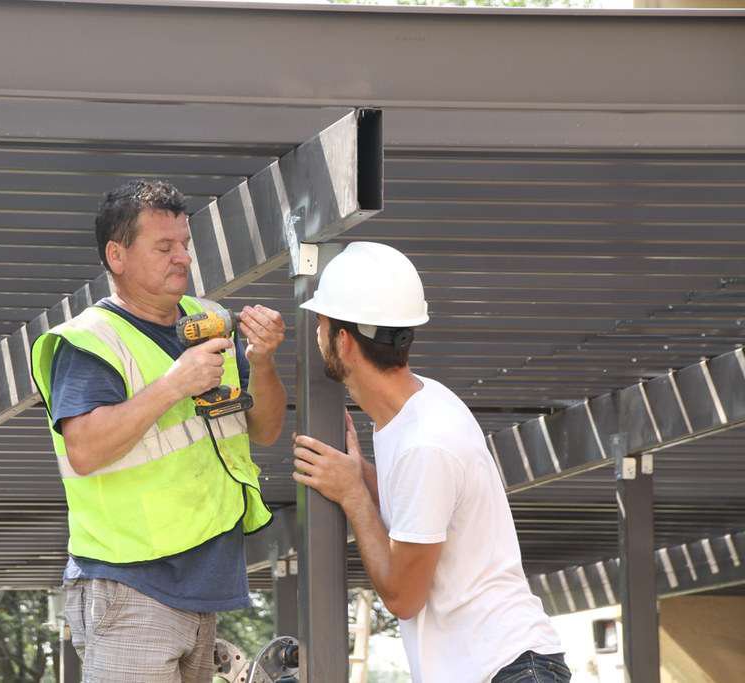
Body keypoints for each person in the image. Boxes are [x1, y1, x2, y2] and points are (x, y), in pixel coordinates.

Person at [30, 180, 286, 682]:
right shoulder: (88, 342)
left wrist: (264, 362)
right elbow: (83, 448)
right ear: (116, 255)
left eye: (185, 244)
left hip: (201, 582)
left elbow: (266, 429)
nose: (182, 258)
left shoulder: (211, 321)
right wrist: (173, 385)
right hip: (129, 583)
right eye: (164, 247)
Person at [291, 242, 568, 683]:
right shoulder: (418, 408)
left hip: (508, 669)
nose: (317, 334)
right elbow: (419, 512)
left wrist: (353, 496)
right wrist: (358, 473)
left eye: (320, 324)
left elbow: (403, 597)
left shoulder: (426, 441)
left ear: (343, 342)